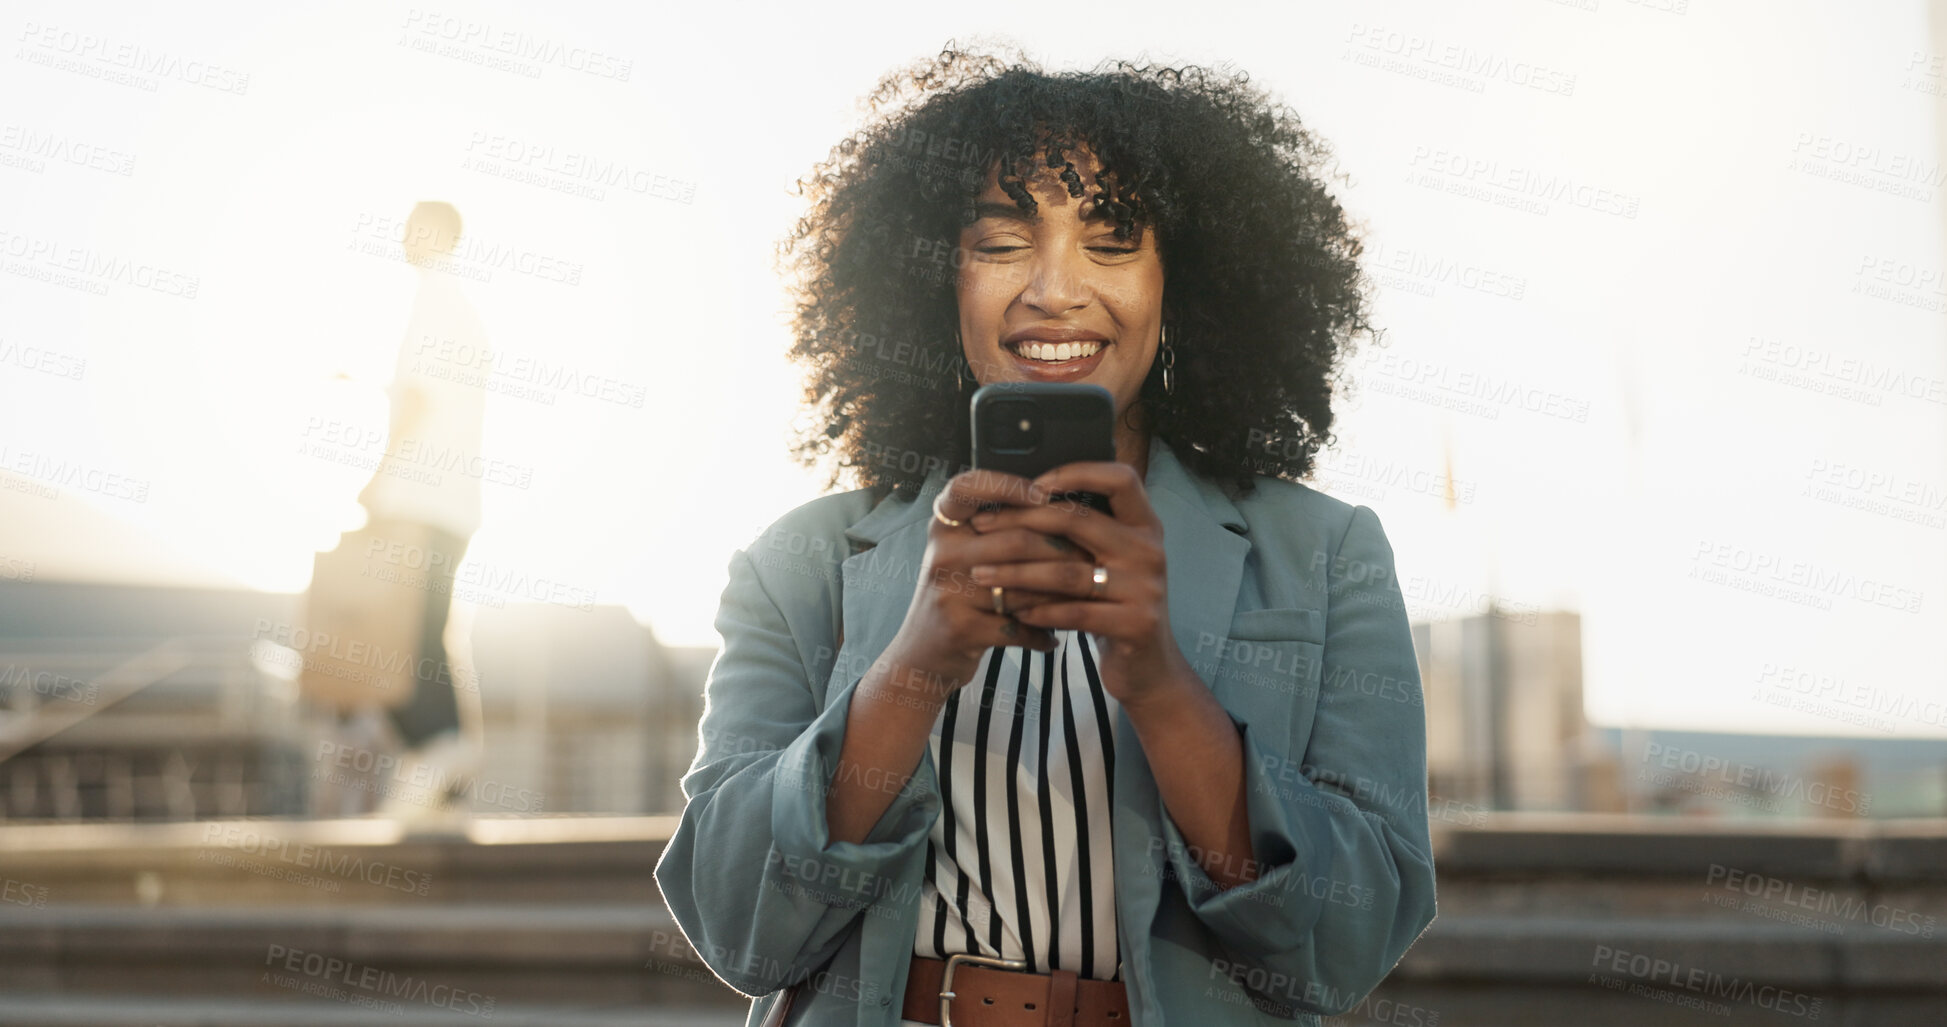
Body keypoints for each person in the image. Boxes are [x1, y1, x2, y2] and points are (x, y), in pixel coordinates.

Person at [655, 47, 1436, 1027]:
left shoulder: (1327, 556)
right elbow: (739, 928)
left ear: (1178, 282)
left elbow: (1347, 947)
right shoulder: (797, 563)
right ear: (932, 278)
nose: (1055, 290)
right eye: (1001, 241)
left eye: (1111, 242)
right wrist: (914, 666)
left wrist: (1159, 680)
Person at [351, 200, 487, 815]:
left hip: (417, 499)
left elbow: (416, 401)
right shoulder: (463, 310)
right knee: (431, 633)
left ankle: (438, 755)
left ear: (438, 234)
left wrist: (376, 480)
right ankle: (446, 774)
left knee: (397, 638)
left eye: (412, 227)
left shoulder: (431, 301)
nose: (403, 237)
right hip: (454, 504)